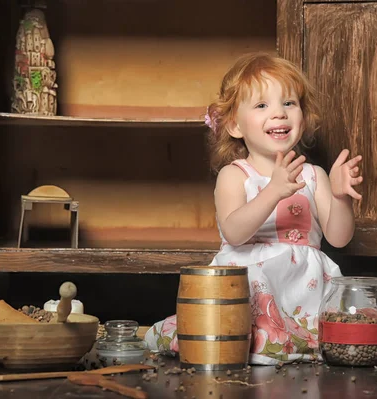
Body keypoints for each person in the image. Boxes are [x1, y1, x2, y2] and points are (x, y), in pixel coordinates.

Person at [145, 52, 363, 365]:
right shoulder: (235, 175)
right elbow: (234, 233)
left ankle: (290, 341)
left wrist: (341, 196)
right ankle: (264, 340)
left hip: (306, 288)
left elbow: (339, 237)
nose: (279, 114)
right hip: (250, 287)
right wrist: (273, 191)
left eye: (289, 103)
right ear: (234, 124)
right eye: (262, 105)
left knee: (338, 331)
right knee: (235, 326)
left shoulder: (314, 176)